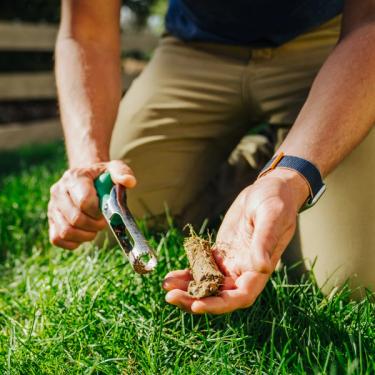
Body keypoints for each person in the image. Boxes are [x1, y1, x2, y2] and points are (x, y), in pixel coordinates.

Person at [48, 0, 375, 314]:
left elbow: (369, 21)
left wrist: (290, 175)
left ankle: (281, 155)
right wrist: (88, 163)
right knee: (101, 220)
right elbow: (86, 30)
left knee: (349, 280)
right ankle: (257, 157)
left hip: (332, 44)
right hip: (194, 49)